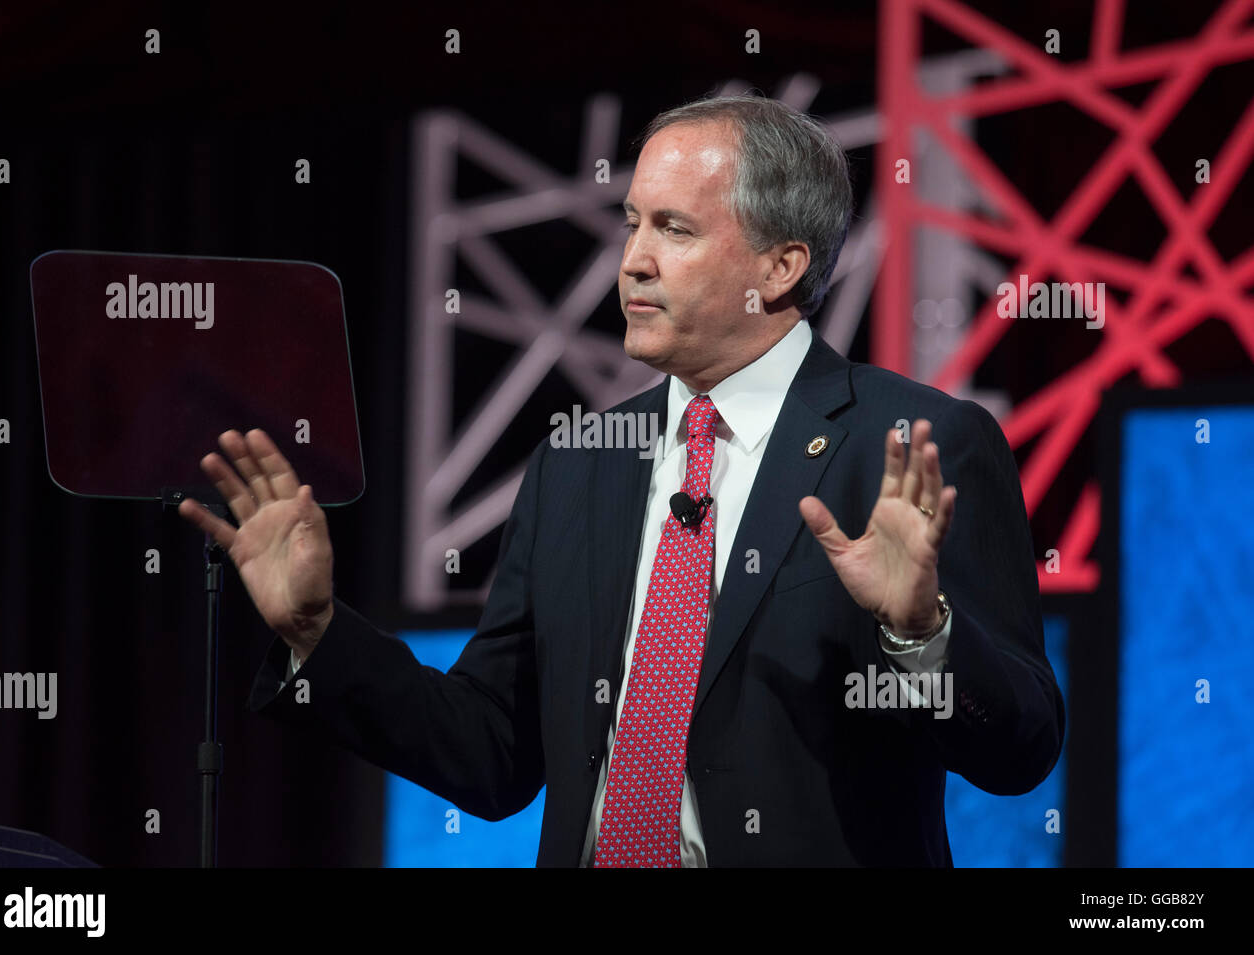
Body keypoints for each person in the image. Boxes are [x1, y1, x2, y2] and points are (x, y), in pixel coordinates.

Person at [178, 94, 1064, 867]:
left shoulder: (914, 443)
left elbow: (1022, 746)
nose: (633, 259)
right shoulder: (578, 461)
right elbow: (492, 750)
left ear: (780, 267)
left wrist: (920, 634)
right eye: (632, 223)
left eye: (674, 229)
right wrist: (319, 632)